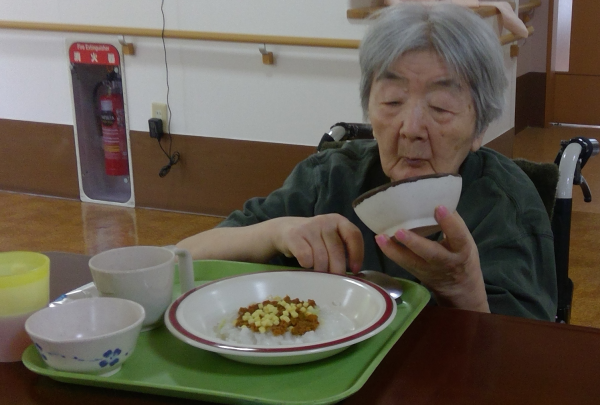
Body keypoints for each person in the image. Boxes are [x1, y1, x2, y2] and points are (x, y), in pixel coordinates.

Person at [178, 3, 557, 321]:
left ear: (479, 128)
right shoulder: (329, 178)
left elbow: (520, 366)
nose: (411, 129)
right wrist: (275, 231)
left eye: (441, 107)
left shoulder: (506, 208)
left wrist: (464, 291)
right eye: (392, 101)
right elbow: (182, 259)